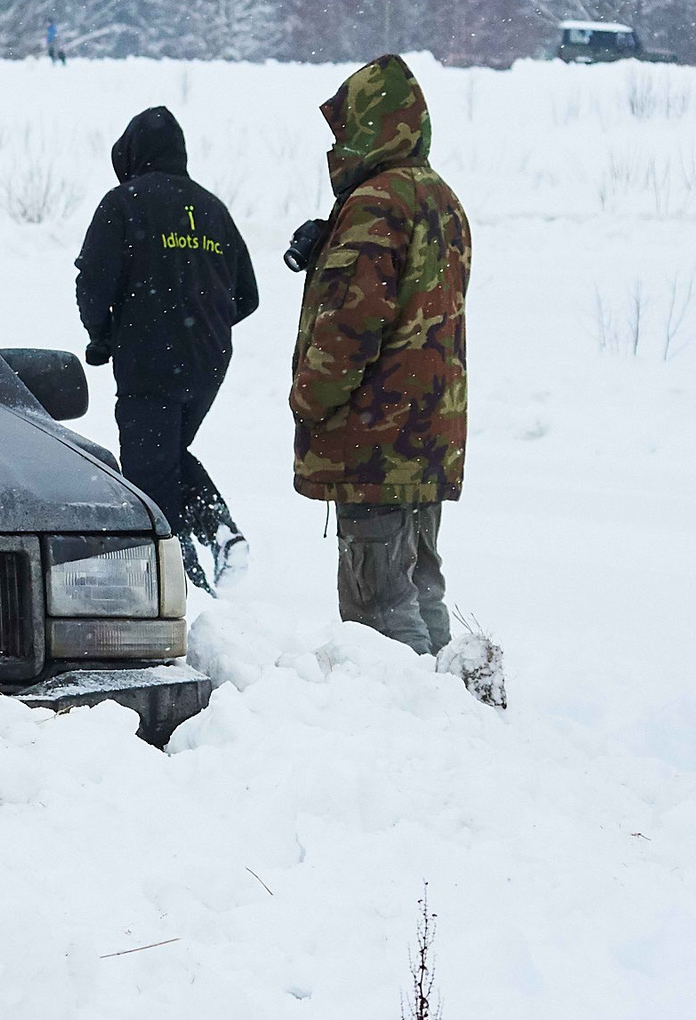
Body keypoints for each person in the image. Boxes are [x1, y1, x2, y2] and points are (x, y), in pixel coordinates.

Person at [285, 53, 472, 655]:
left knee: (378, 604)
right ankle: (453, 704)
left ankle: (409, 723)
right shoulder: (439, 198)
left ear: (372, 124)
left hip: (377, 439)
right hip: (428, 434)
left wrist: (309, 399)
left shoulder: (377, 203)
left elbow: (352, 324)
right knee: (420, 584)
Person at [75, 105, 257, 588]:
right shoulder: (213, 209)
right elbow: (249, 296)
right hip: (209, 363)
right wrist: (204, 324)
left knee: (148, 471)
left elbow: (93, 280)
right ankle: (221, 539)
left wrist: (102, 335)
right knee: (166, 453)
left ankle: (181, 583)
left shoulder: (123, 203)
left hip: (149, 360)